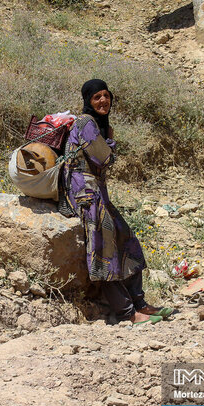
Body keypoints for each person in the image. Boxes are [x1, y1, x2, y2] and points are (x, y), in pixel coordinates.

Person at [58, 79, 172, 324]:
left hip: (97, 193)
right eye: (97, 97)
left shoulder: (98, 125)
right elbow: (103, 159)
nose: (103, 101)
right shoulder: (87, 123)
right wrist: (110, 141)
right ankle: (126, 313)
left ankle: (140, 303)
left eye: (106, 95)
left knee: (127, 239)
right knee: (105, 252)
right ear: (88, 100)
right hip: (85, 195)